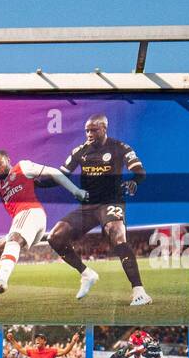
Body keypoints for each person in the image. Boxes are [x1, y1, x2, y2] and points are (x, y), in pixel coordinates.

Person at [46, 114, 152, 306]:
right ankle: (87, 274)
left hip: (111, 201)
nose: (89, 134)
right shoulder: (80, 151)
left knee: (116, 234)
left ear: (104, 128)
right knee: (55, 237)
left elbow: (140, 171)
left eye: (94, 130)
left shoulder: (120, 147)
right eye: (87, 130)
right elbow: (61, 175)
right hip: (88, 206)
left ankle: (139, 291)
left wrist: (134, 181)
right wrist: (34, 182)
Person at [0, 149, 88, 293]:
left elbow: (53, 172)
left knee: (13, 238)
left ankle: (1, 279)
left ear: (8, 160)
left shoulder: (22, 167)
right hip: (24, 223)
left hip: (32, 213)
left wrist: (76, 190)